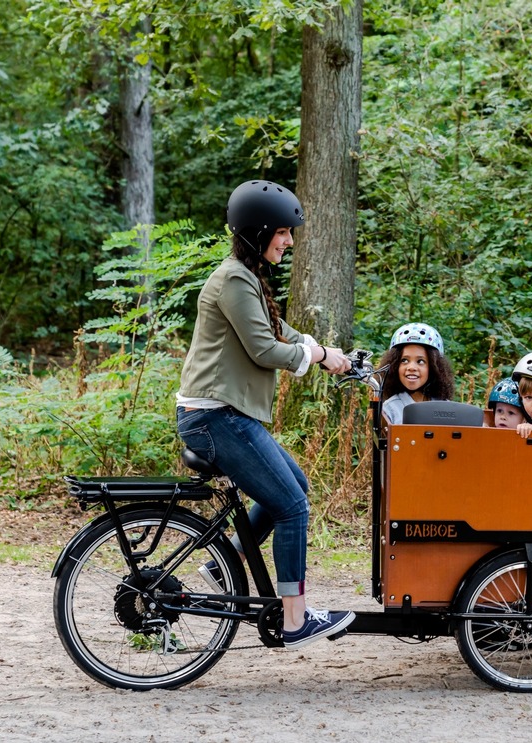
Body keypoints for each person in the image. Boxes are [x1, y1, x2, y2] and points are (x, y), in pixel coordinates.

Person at [175, 179, 355, 649]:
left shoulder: (246, 277)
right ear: (259, 231)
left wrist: (327, 351)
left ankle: (223, 562)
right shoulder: (234, 278)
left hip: (228, 415)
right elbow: (262, 348)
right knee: (292, 507)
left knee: (296, 486)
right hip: (216, 417)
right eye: (282, 231)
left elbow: (279, 329)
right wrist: (313, 357)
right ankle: (295, 621)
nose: (289, 240)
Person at [377, 322, 455, 425]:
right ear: (394, 366)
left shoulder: (447, 409)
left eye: (420, 361)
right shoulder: (390, 409)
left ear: (434, 367)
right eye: (404, 360)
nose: (412, 367)